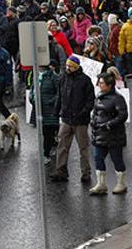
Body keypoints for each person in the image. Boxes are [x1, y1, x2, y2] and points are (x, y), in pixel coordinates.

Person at [49, 56, 93, 184]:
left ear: (76, 67)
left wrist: (83, 112)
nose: (68, 68)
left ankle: (85, 172)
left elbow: (90, 100)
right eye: (67, 66)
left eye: (70, 66)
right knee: (62, 146)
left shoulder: (85, 80)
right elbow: (60, 96)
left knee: (83, 148)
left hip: (80, 120)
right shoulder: (63, 78)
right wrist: (56, 112)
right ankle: (60, 171)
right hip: (66, 118)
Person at [87, 73, 128, 196]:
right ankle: (101, 184)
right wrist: (93, 121)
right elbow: (95, 112)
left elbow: (122, 115)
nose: (99, 85)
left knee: (116, 159)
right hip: (99, 134)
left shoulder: (117, 98)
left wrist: (109, 124)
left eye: (102, 83)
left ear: (109, 85)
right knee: (98, 158)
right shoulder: (99, 96)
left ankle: (121, 183)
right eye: (99, 83)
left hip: (113, 135)